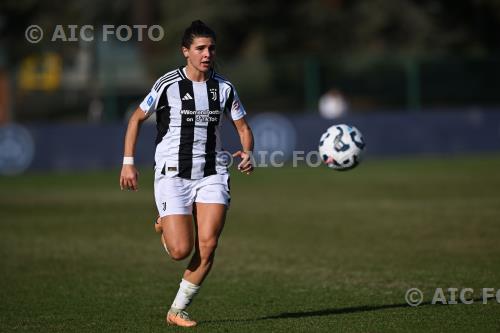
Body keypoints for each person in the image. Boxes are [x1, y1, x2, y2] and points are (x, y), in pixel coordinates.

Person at [119, 20, 254, 327]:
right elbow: (136, 120)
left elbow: (244, 128)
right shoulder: (167, 84)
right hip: (173, 175)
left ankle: (177, 310)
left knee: (208, 244)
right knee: (181, 250)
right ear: (186, 52)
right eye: (200, 48)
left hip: (212, 173)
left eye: (211, 48)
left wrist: (247, 153)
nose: (207, 54)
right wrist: (128, 162)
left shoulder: (224, 88)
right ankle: (165, 224)